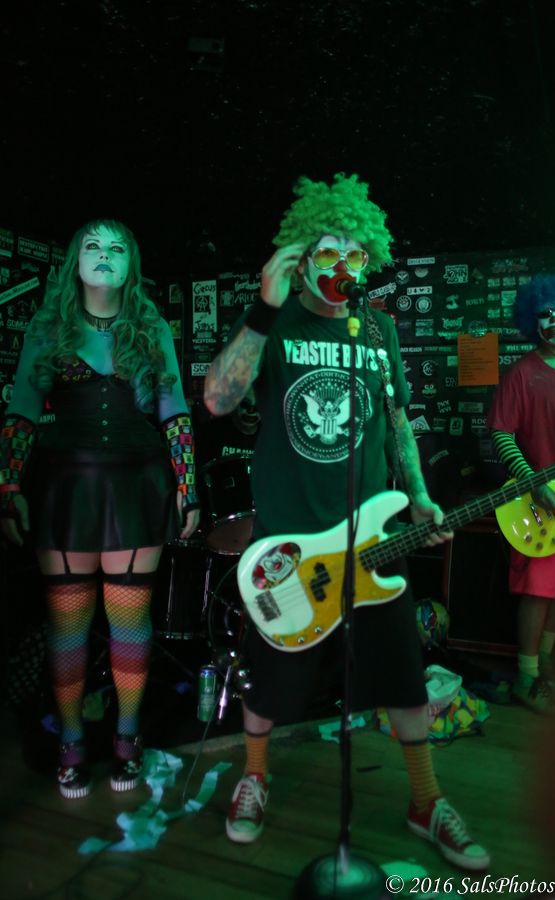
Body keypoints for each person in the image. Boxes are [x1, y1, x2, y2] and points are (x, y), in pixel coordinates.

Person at [204, 173, 490, 870]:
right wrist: (264, 308)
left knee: (403, 676)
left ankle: (426, 801)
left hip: (374, 541)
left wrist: (418, 495)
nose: (342, 265)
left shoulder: (379, 329)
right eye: (327, 250)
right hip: (289, 543)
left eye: (354, 253)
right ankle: (255, 778)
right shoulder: (274, 324)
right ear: (301, 256)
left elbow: (396, 421)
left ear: (369, 260)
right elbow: (217, 399)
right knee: (271, 681)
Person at [0, 219, 200, 798]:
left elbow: (174, 411)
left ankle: (127, 739)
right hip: (65, 485)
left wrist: (188, 484)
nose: (104, 254)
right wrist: (8, 488)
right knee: (67, 625)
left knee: (129, 622)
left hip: (138, 483)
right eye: (93, 245)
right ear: (76, 262)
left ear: (131, 264)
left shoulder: (151, 326)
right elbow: (21, 411)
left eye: (116, 247)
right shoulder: (48, 325)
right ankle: (70, 742)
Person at [487, 272, 555, 713]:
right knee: (538, 588)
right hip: (540, 503)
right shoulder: (522, 373)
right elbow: (501, 433)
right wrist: (533, 484)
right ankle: (527, 676)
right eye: (544, 314)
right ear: (532, 322)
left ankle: (545, 665)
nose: (554, 322)